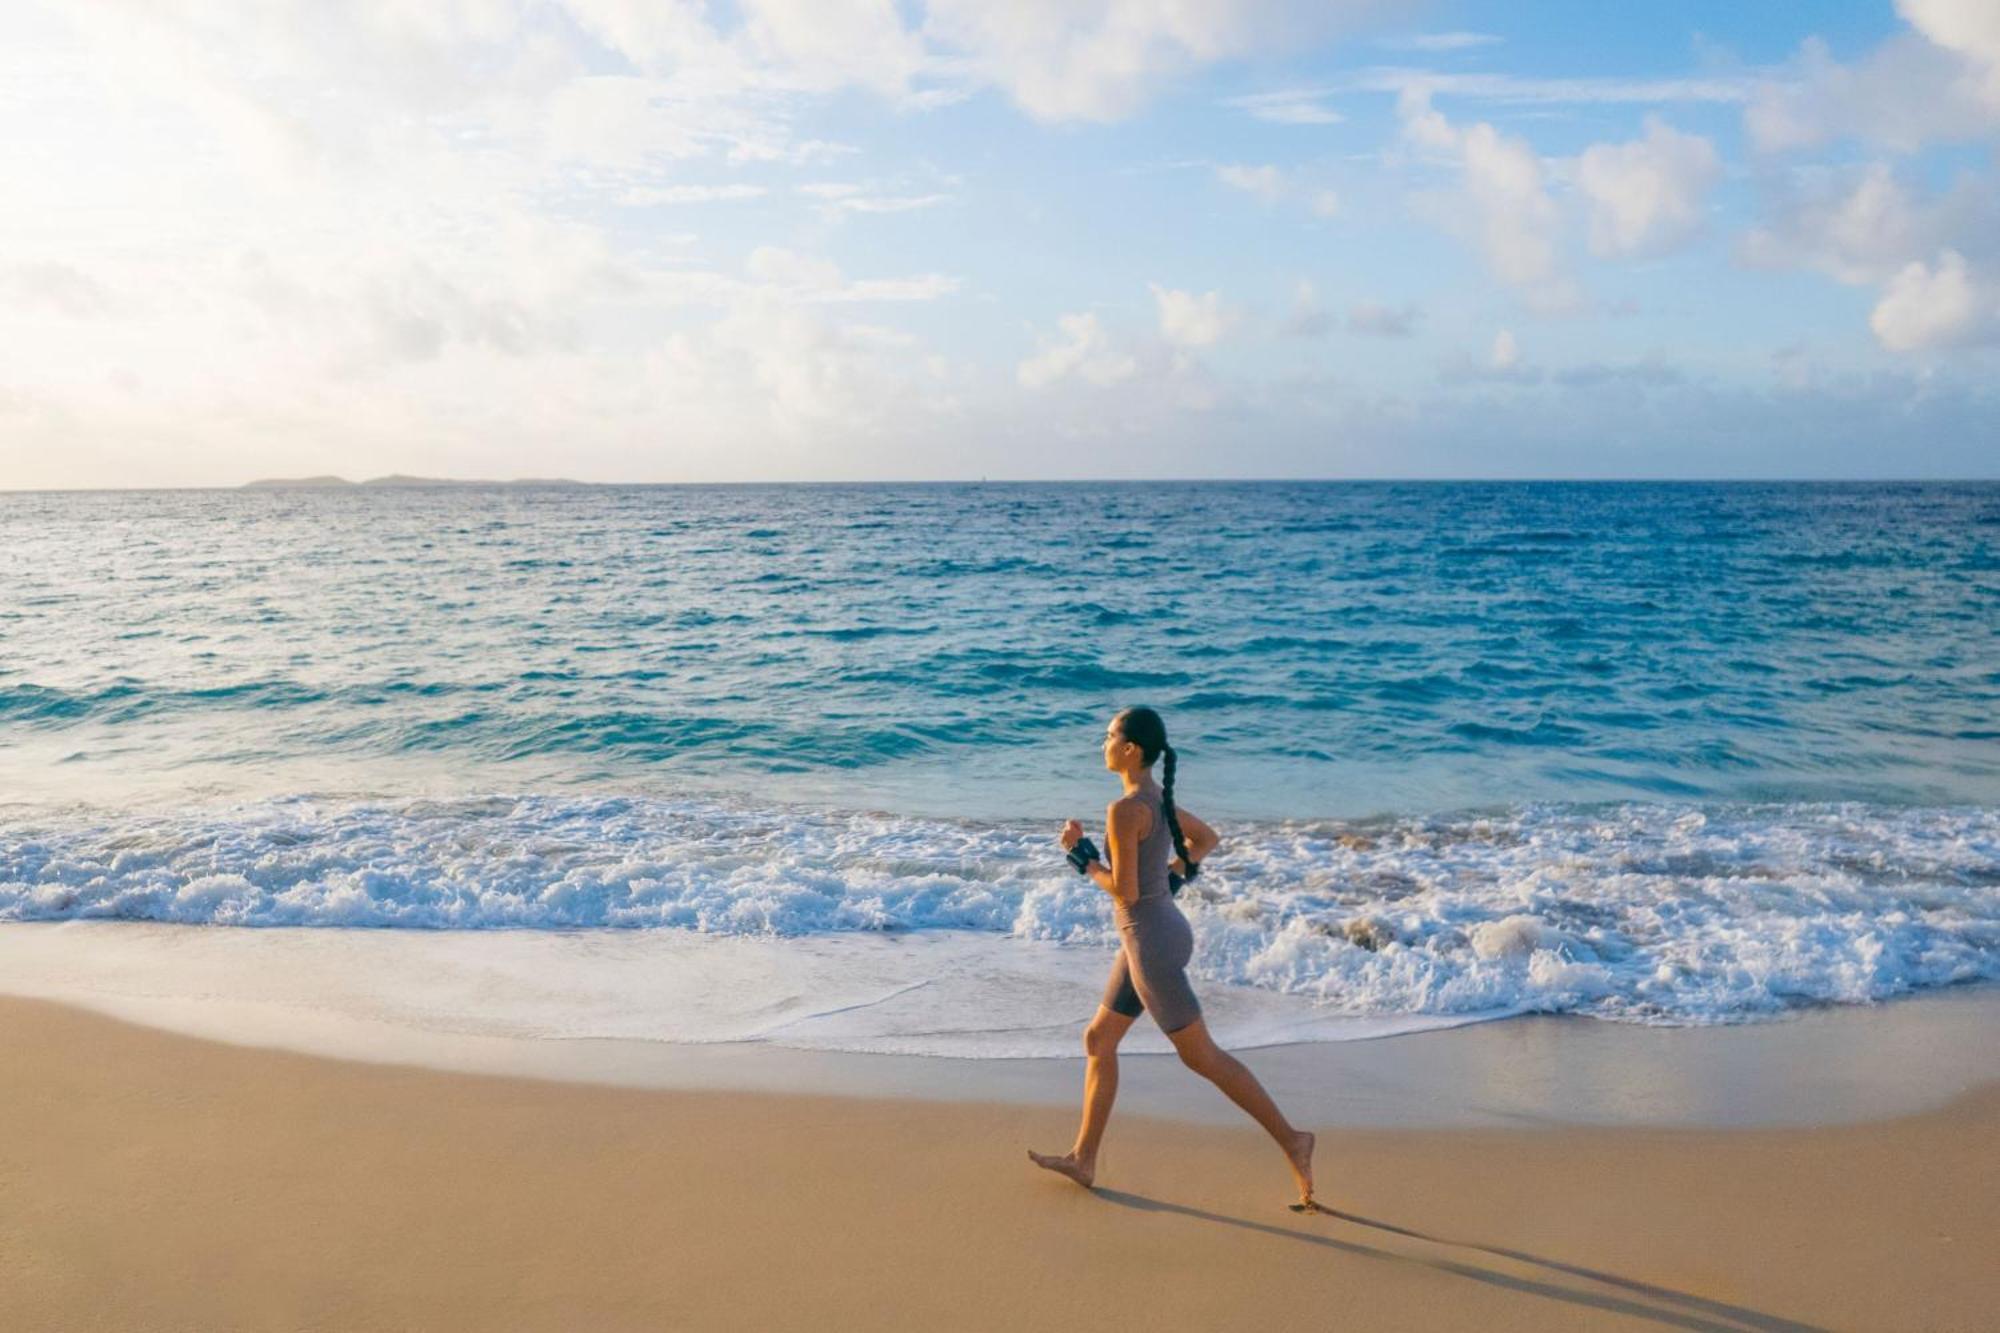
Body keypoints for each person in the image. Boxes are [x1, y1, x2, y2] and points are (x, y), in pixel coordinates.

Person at [1027, 706, 1319, 1211]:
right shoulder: (1156, 799)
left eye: (1110, 734)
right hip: (1157, 937)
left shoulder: (1125, 810)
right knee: (1099, 1039)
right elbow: (1205, 841)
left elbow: (1124, 891)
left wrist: (1080, 857)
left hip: (1151, 946)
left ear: (1131, 749)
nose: (1104, 741)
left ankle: (1294, 1140)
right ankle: (1084, 1158)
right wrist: (1175, 877)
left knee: (1203, 1057)